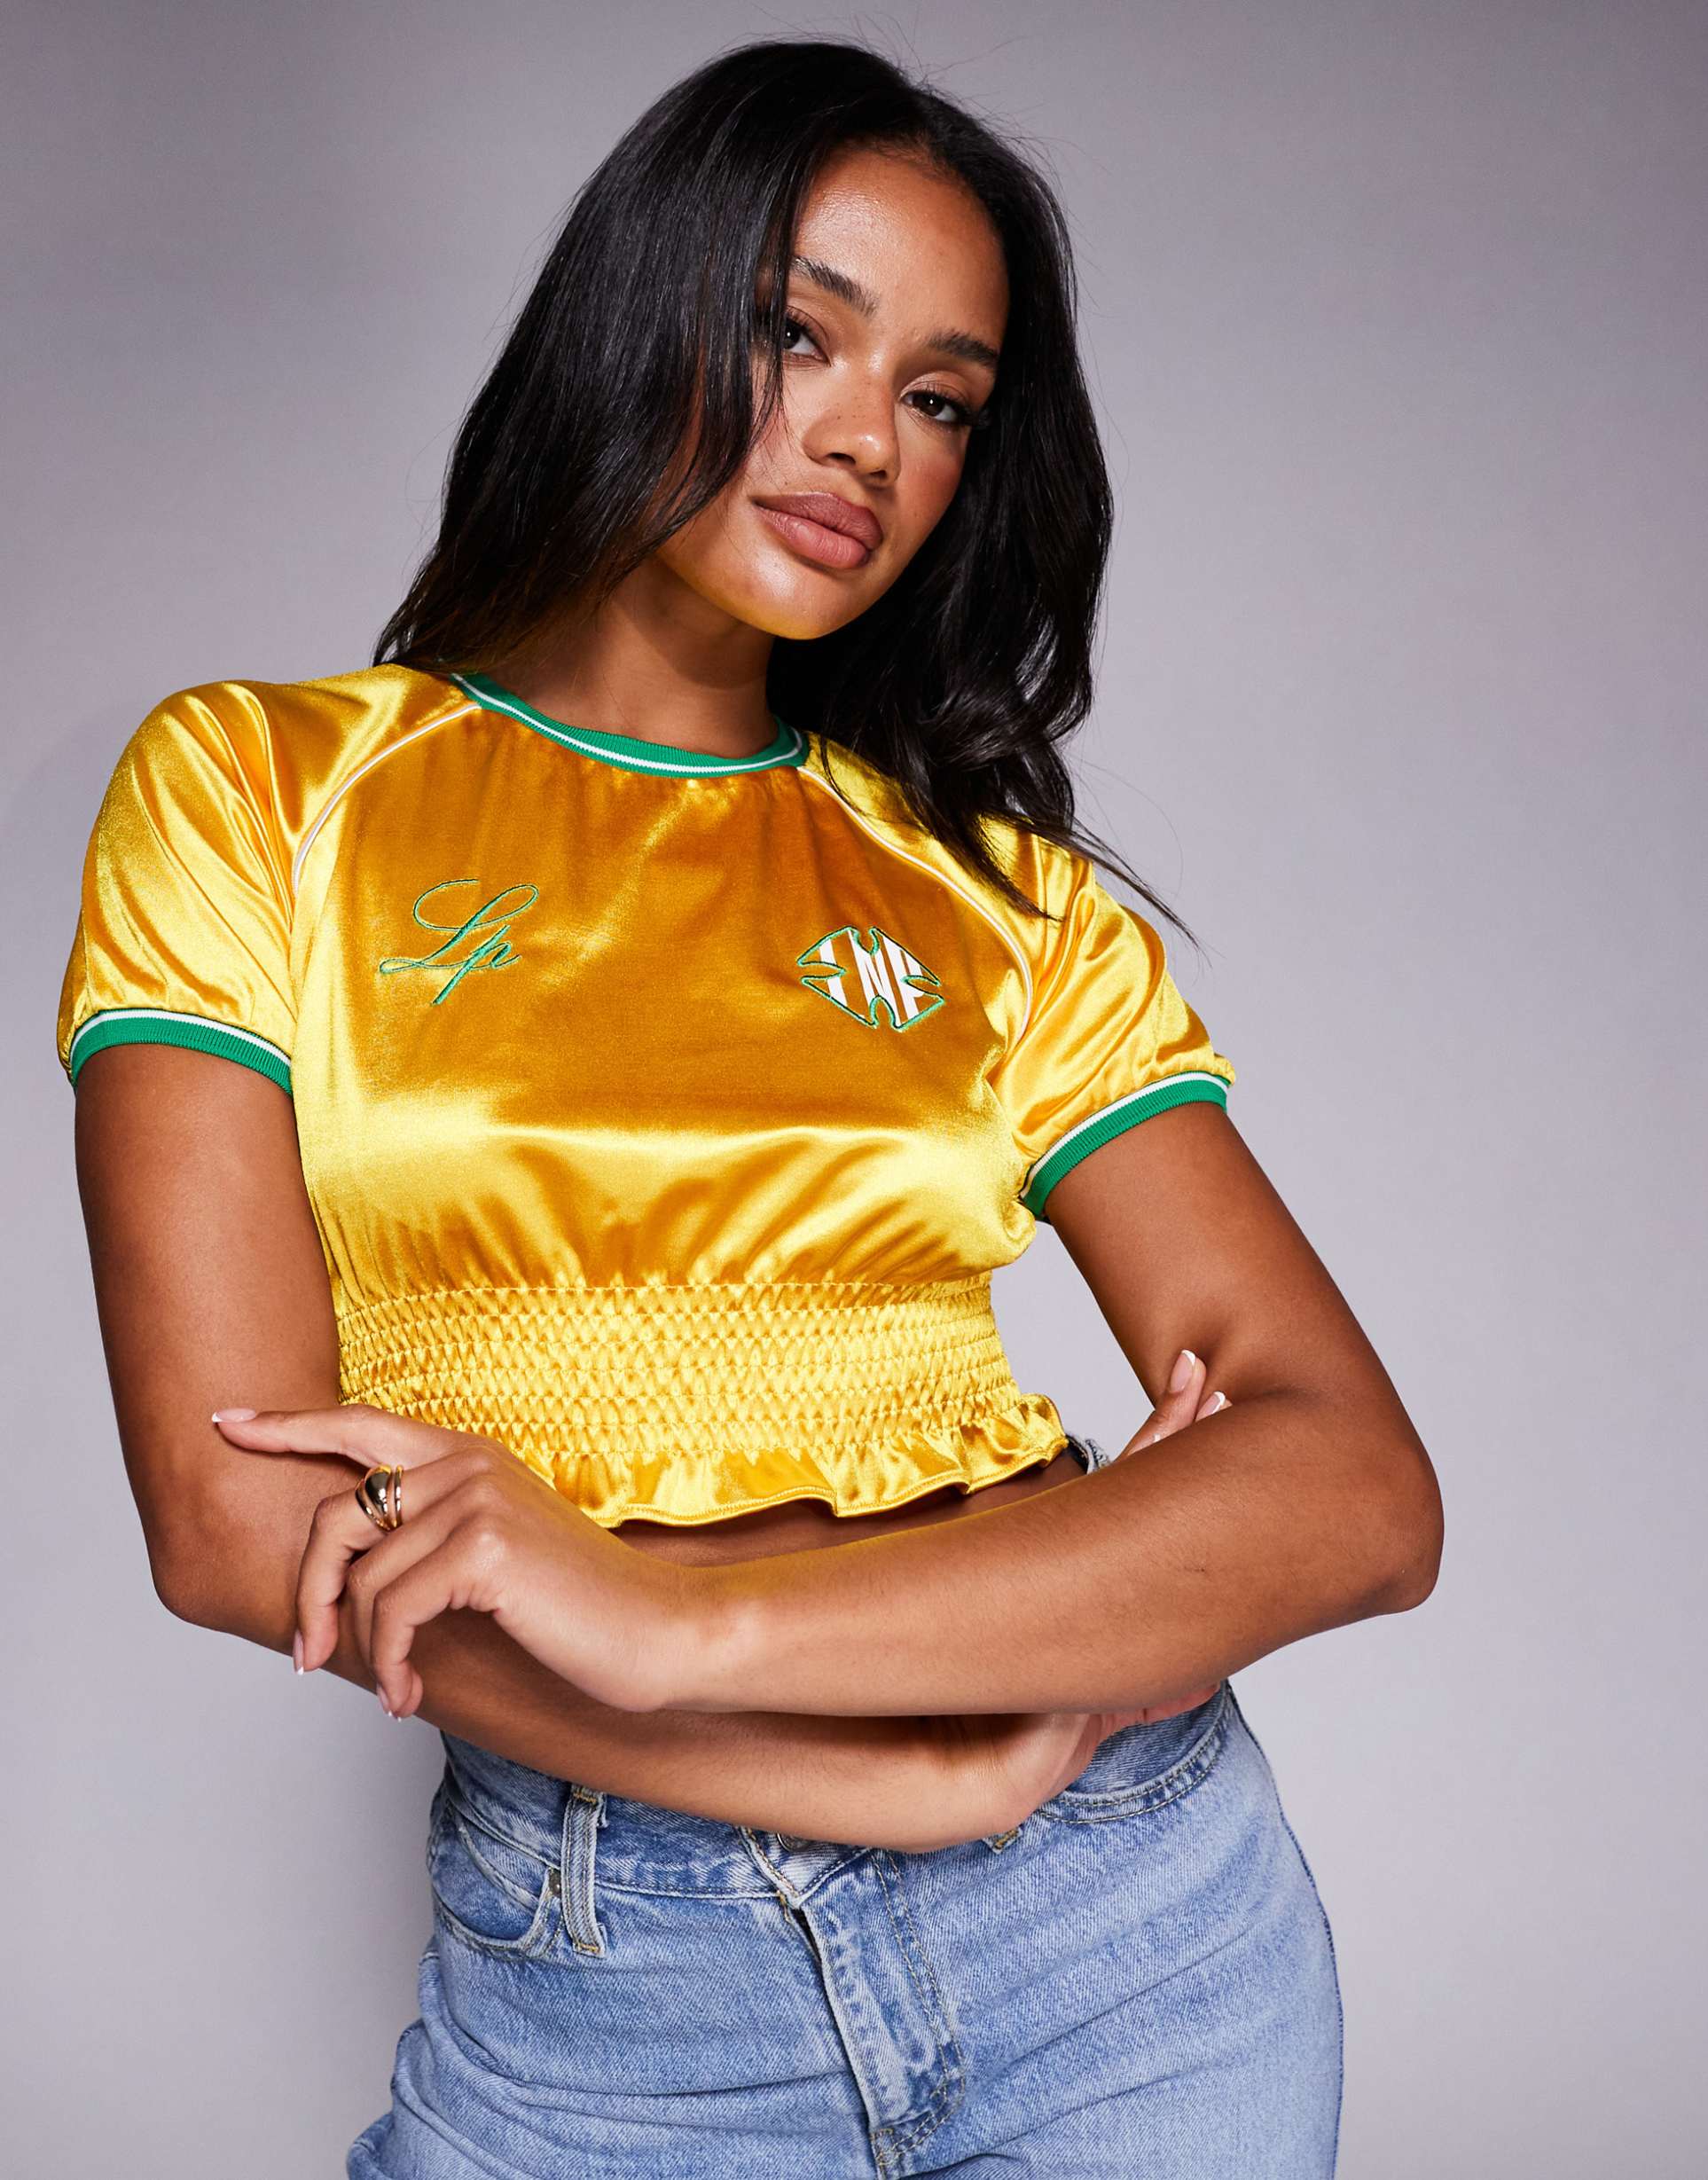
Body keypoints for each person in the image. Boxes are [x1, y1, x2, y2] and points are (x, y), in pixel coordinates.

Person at [55, 35, 1441, 2179]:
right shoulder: (259, 792)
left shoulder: (999, 902)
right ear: (647, 303)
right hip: (610, 1972)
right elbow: (235, 1520)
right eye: (805, 333)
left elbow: (1358, 1487)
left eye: (944, 399)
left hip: (1124, 1931)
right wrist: (889, 1769)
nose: (869, 438)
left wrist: (685, 1624)